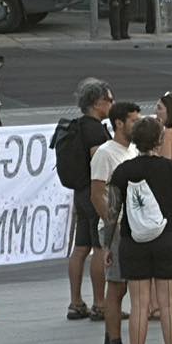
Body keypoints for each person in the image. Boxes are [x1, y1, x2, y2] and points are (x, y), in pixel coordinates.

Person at [108, 116, 172, 344]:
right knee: (168, 305)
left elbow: (112, 212)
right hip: (168, 239)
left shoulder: (122, 171)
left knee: (139, 306)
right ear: (160, 140)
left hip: (134, 243)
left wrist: (108, 245)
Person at [90, 99, 139, 344]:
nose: (137, 124)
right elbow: (97, 194)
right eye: (133, 120)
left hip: (131, 226)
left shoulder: (132, 150)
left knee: (123, 287)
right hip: (117, 228)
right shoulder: (105, 153)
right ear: (119, 123)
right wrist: (112, 226)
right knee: (117, 287)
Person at [61, 79, 113, 322]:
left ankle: (75, 302)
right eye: (109, 100)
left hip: (80, 193)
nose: (112, 104)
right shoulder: (95, 130)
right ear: (97, 103)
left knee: (80, 247)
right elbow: (98, 163)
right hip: (94, 193)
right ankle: (100, 304)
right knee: (99, 247)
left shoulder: (78, 126)